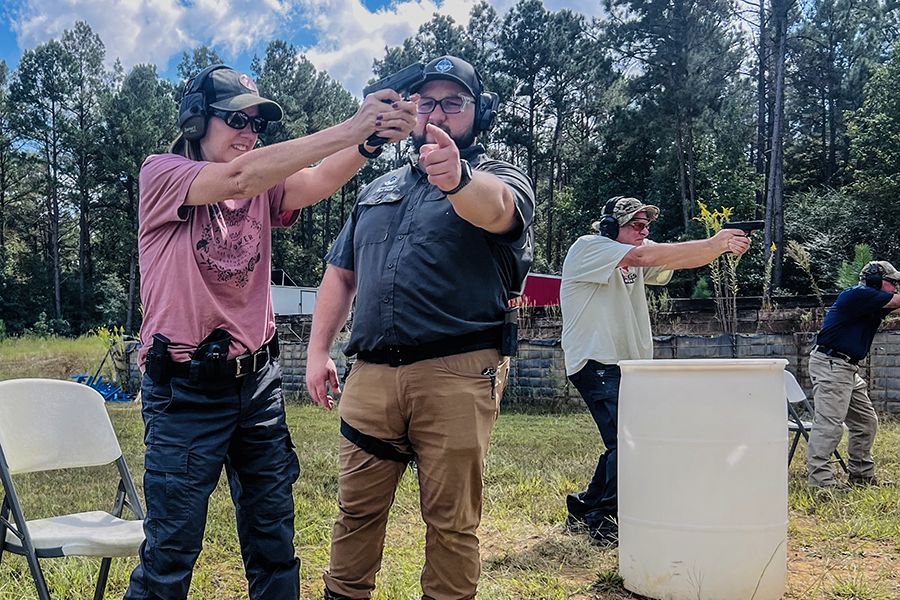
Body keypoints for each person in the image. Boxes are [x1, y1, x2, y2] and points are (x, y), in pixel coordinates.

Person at [127, 64, 417, 600]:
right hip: (186, 392)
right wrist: (354, 126)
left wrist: (369, 142)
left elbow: (318, 180)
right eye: (237, 119)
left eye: (258, 124)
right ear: (195, 121)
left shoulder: (261, 182)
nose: (249, 133)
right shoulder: (161, 173)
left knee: (274, 542)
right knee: (170, 552)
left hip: (256, 385)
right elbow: (241, 177)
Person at [305, 55, 535, 600]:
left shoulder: (499, 177)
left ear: (479, 115)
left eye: (453, 103)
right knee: (355, 512)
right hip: (372, 377)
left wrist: (457, 178)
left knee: (451, 523)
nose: (437, 112)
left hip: (455, 375)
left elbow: (499, 211)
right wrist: (318, 351)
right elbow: (340, 273)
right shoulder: (376, 189)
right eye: (427, 101)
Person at [559, 196, 751, 546]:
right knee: (629, 444)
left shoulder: (633, 257)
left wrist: (720, 247)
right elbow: (646, 256)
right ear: (608, 226)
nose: (643, 231)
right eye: (636, 224)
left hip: (627, 365)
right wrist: (713, 242)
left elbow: (681, 257)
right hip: (597, 361)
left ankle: (585, 507)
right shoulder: (589, 247)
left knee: (625, 442)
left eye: (647, 225)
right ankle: (603, 519)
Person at [806, 260, 900, 491]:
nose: (896, 287)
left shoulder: (872, 302)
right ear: (876, 281)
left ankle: (861, 476)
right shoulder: (858, 294)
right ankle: (821, 483)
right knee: (829, 425)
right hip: (831, 364)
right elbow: (897, 301)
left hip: (846, 367)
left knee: (865, 422)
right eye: (893, 282)